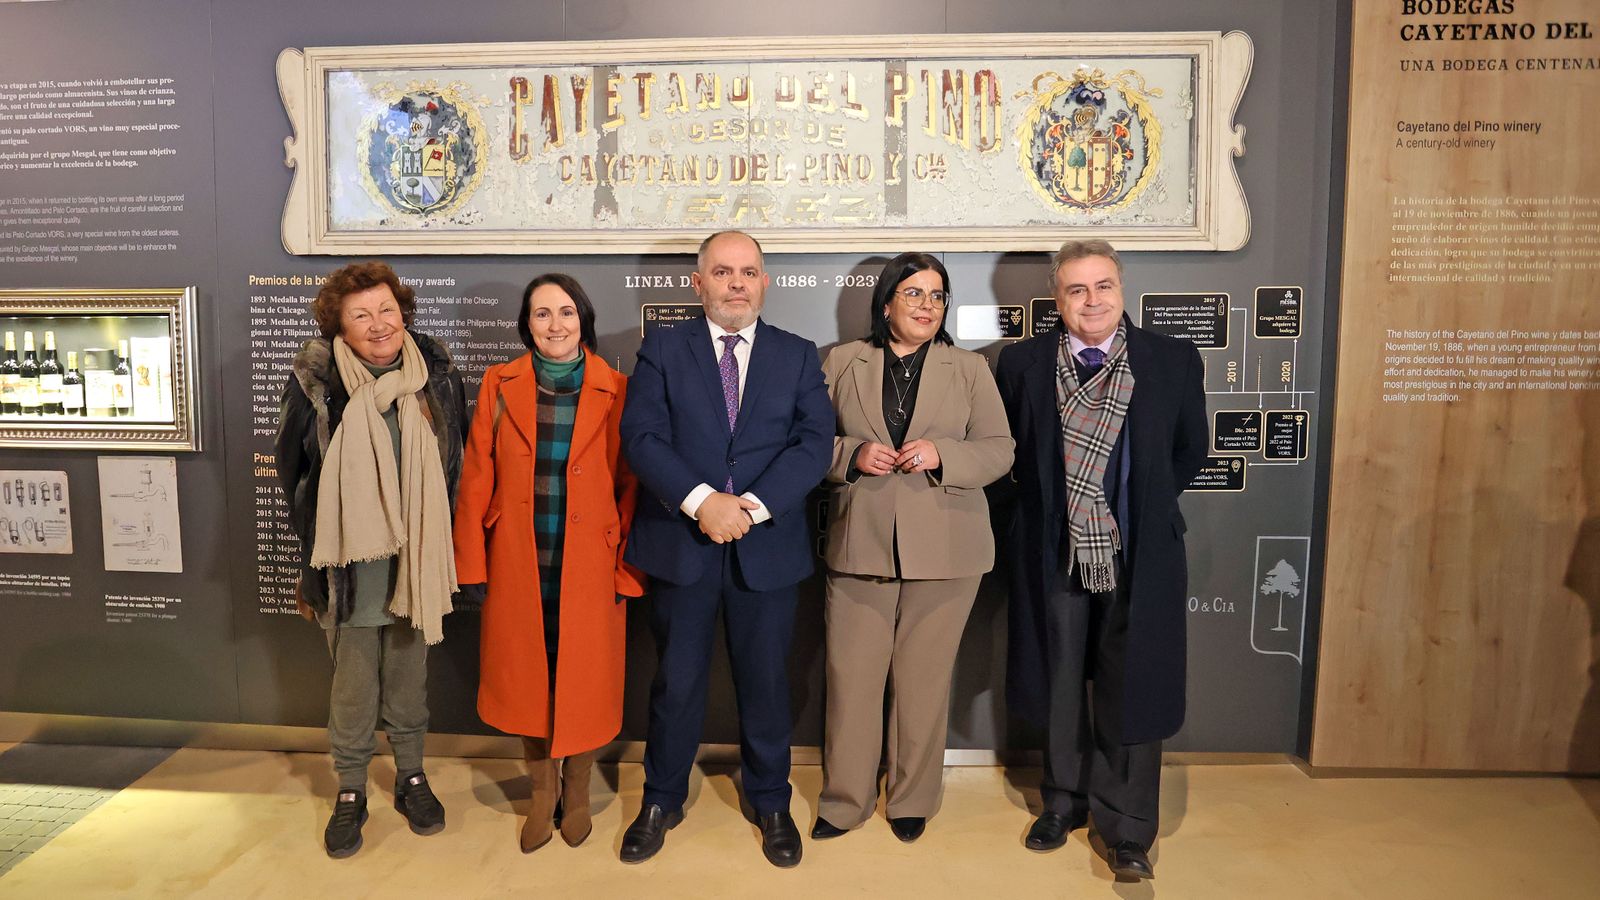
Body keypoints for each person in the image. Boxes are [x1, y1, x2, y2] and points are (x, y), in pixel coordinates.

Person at [618, 230, 833, 868]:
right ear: (698, 282)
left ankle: (770, 799)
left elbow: (814, 443)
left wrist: (751, 509)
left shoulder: (797, 356)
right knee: (676, 683)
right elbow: (643, 436)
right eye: (722, 271)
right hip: (683, 545)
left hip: (765, 547)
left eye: (747, 272)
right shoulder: (661, 350)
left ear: (764, 283)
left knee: (767, 683)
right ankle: (661, 798)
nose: (736, 283)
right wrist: (702, 501)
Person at [995, 240, 1206, 880]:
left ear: (1122, 288)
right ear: (1057, 299)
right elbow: (1010, 459)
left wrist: (1125, 510)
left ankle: (1128, 828)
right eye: (1077, 290)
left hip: (1138, 554)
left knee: (1133, 683)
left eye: (1104, 286)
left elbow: (1188, 451)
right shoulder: (1022, 363)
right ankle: (1062, 802)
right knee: (1060, 680)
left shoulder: (1170, 359)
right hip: (1055, 551)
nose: (1093, 301)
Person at [812, 253, 1013, 843]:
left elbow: (1000, 449)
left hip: (949, 548)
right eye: (914, 293)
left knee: (923, 683)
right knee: (851, 679)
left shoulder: (970, 368)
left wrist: (944, 454)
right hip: (859, 545)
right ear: (886, 302)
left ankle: (911, 800)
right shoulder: (843, 361)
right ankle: (844, 801)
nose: (927, 305)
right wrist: (849, 453)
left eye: (937, 295)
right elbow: (804, 442)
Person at [275, 260, 468, 859]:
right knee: (354, 685)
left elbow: (454, 464)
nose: (378, 323)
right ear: (340, 324)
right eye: (361, 315)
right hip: (350, 565)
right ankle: (352, 791)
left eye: (386, 309)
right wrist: (315, 557)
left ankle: (411, 777)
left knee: (410, 679)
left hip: (416, 560)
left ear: (402, 311)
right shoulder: (318, 384)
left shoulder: (435, 376)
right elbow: (293, 472)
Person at [452, 274, 647, 853]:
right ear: (526, 324)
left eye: (566, 312)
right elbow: (475, 473)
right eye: (542, 314)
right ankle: (542, 795)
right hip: (519, 556)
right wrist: (471, 564)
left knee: (583, 678)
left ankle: (579, 793)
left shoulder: (618, 388)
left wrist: (625, 566)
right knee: (530, 680)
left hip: (591, 560)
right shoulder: (499, 382)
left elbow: (630, 484)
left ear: (583, 319)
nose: (556, 325)